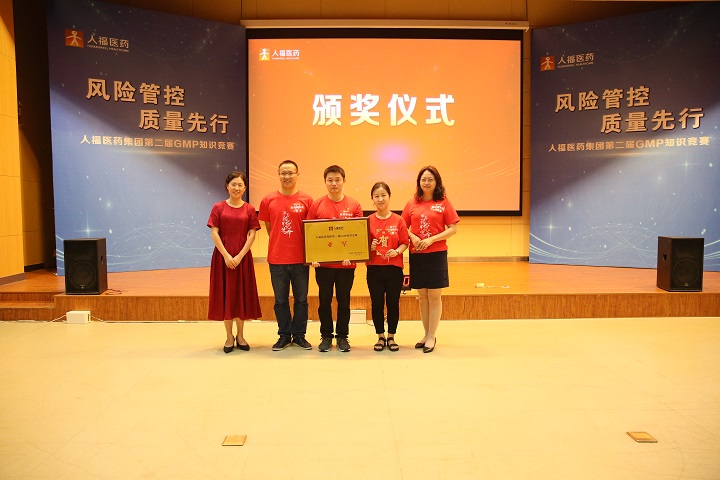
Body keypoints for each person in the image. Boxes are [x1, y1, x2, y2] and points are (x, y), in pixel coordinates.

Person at [401, 166, 459, 353]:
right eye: (423, 179)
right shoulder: (412, 203)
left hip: (436, 254)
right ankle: (426, 334)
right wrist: (413, 237)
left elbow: (453, 228)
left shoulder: (443, 202)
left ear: (437, 182)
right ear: (419, 182)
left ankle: (432, 336)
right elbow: (402, 226)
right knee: (422, 297)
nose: (426, 183)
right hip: (417, 254)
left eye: (430, 179)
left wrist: (431, 239)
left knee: (434, 296)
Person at [306, 165, 363, 352]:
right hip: (323, 266)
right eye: (330, 180)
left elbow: (358, 235)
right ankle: (326, 336)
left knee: (344, 302)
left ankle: (342, 337)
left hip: (346, 265)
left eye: (337, 180)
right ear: (325, 182)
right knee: (324, 301)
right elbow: (310, 233)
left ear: (344, 181)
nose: (334, 183)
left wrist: (352, 255)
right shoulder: (317, 205)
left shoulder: (354, 205)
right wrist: (313, 257)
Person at [258, 160, 314, 351]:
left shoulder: (307, 200)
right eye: (283, 173)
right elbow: (269, 228)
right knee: (280, 301)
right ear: (278, 175)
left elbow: (311, 230)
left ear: (298, 175)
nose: (287, 176)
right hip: (277, 259)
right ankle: (284, 335)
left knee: (301, 300)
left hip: (300, 260)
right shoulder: (268, 200)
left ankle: (299, 335)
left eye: (290, 173)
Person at [207, 171, 262, 353]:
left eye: (240, 185)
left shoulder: (249, 209)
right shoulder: (218, 207)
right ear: (227, 186)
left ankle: (240, 335)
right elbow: (214, 233)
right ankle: (229, 336)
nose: (236, 188)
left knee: (241, 296)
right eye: (233, 184)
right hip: (223, 259)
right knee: (226, 296)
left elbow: (252, 234)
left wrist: (239, 256)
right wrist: (226, 256)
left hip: (242, 259)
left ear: (245, 188)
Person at [367, 182, 409, 352]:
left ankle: (391, 336)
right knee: (376, 304)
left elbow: (405, 243)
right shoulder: (368, 220)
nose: (380, 199)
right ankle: (380, 336)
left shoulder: (399, 220)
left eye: (383, 195)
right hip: (374, 268)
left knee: (393, 304)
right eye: (376, 196)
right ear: (372, 199)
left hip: (394, 268)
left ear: (389, 197)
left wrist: (397, 251)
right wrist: (370, 247)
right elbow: (362, 246)